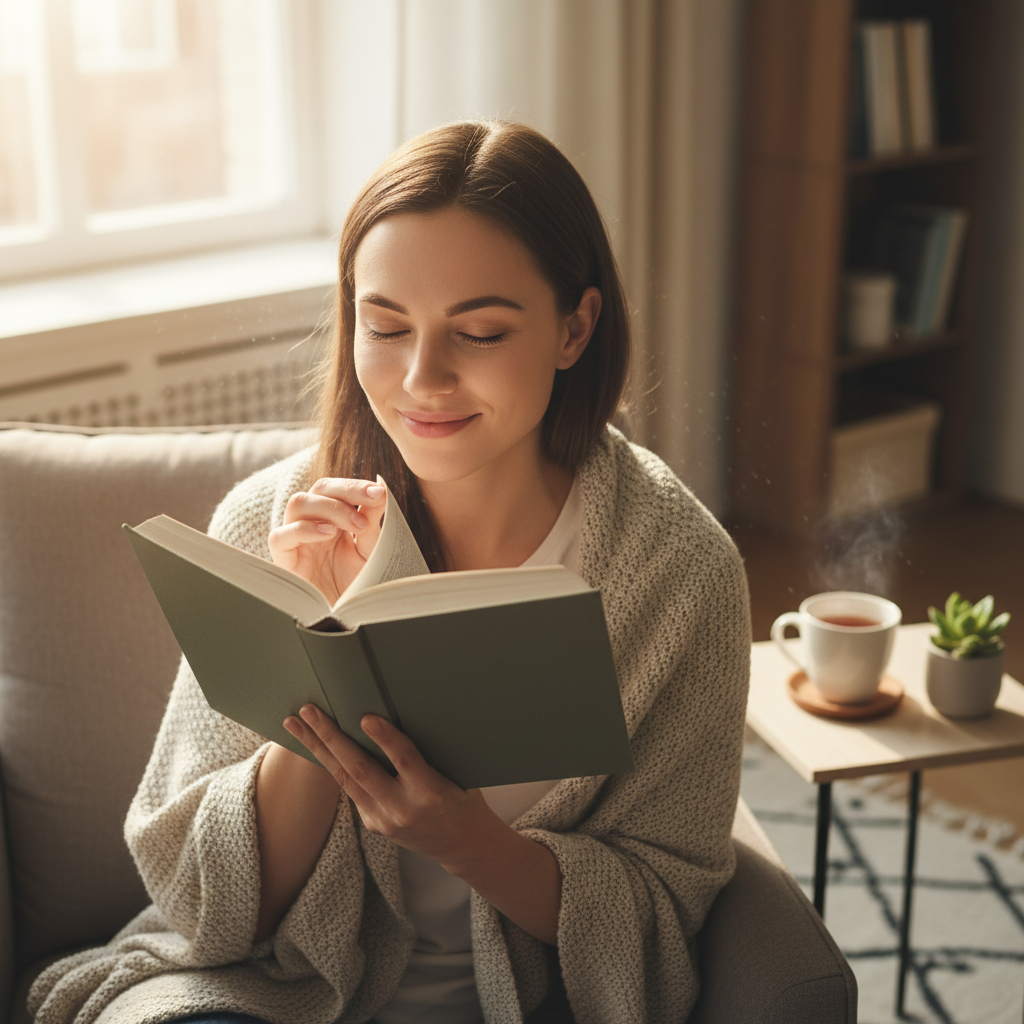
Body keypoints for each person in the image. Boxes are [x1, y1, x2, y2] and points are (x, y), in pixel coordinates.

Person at [28, 120, 750, 1024]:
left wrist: (471, 843)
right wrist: (323, 679)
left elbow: (664, 903)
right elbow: (206, 906)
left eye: (479, 332)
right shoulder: (271, 521)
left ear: (575, 328)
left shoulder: (679, 574)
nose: (423, 378)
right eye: (385, 325)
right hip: (275, 986)